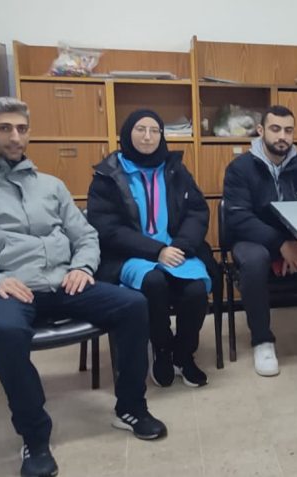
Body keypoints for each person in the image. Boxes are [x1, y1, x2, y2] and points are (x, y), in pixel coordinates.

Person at [0, 98, 166, 477]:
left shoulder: (50, 185)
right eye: (5, 128)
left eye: (21, 129)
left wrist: (82, 266)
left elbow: (87, 236)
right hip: (3, 291)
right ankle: (35, 437)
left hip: (62, 282)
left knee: (133, 304)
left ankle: (131, 407)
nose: (15, 137)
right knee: (8, 332)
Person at [87, 109, 217, 387]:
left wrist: (182, 245)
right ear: (127, 133)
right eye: (140, 129)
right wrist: (156, 251)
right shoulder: (108, 174)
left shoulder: (175, 169)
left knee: (196, 290)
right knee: (154, 283)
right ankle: (162, 349)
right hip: (132, 253)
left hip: (177, 249)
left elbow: (197, 211)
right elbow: (108, 228)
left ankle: (184, 353)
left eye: (154, 130)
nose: (148, 137)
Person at [222, 105, 297, 375]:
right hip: (254, 238)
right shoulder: (240, 168)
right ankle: (262, 340)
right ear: (261, 130)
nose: (282, 136)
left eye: (288, 130)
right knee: (254, 260)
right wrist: (280, 244)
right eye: (275, 129)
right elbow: (239, 218)